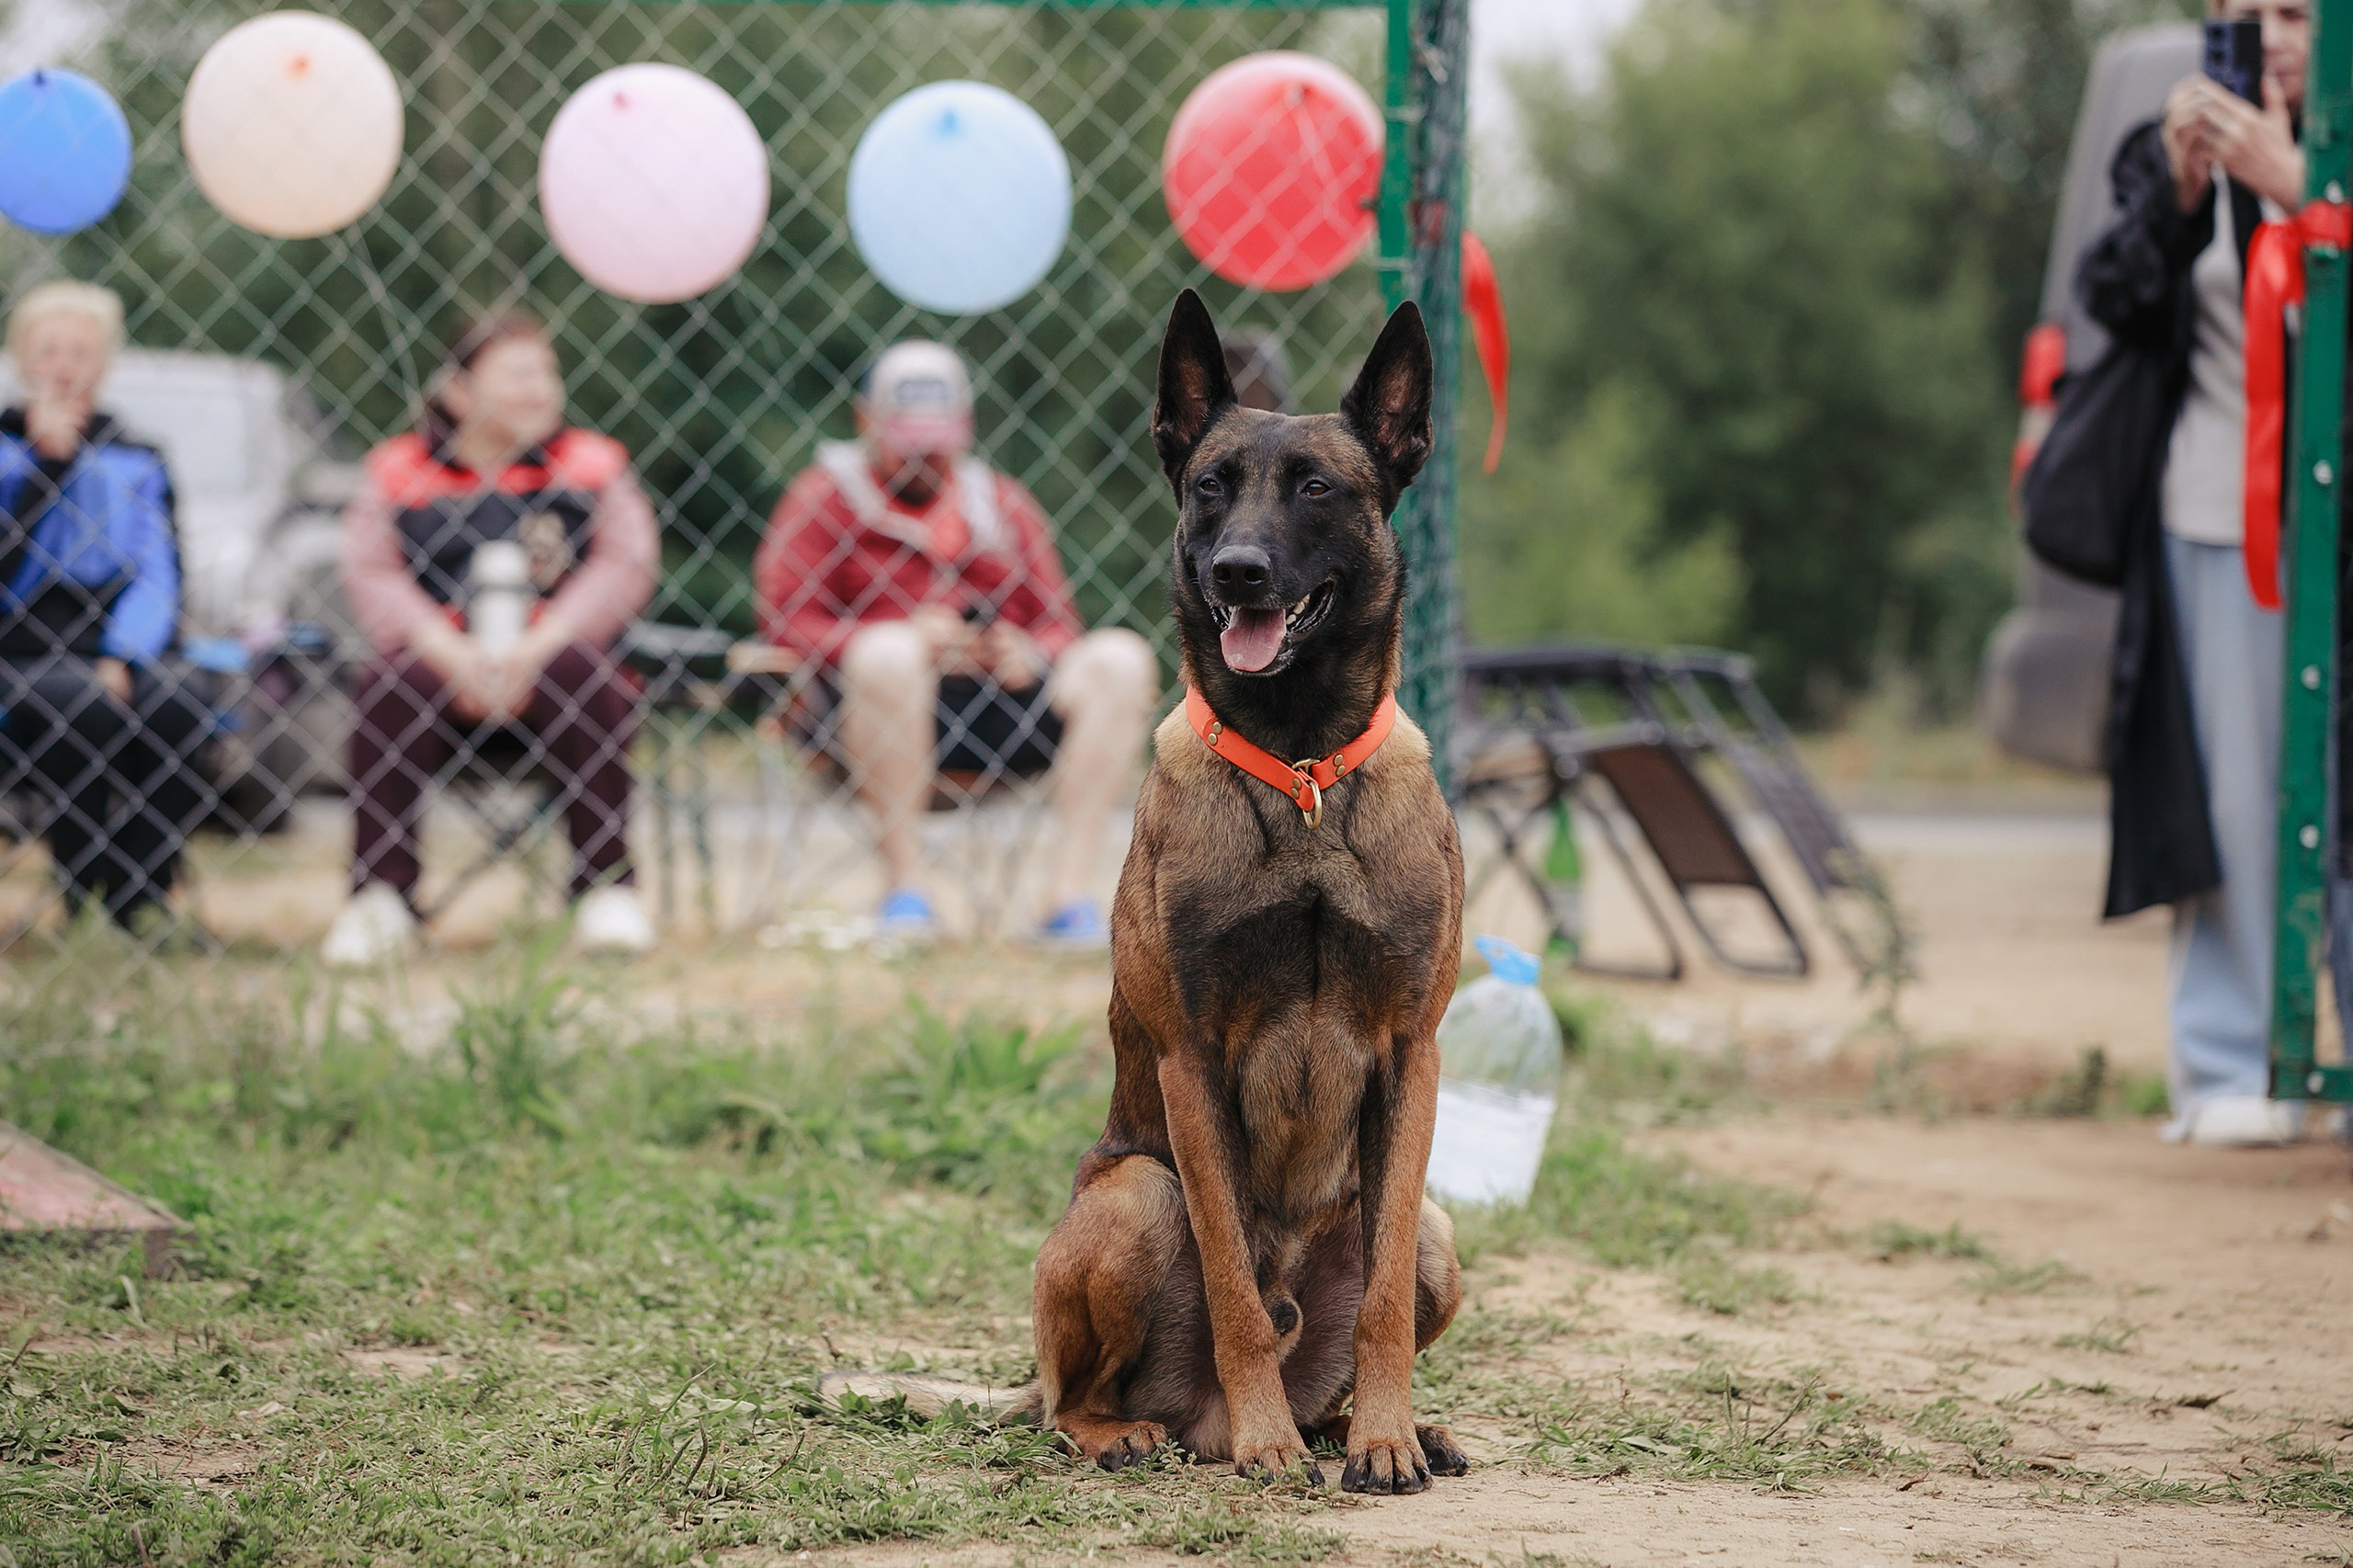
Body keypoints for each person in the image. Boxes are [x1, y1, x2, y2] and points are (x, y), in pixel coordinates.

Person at [2077, 0, 2313, 1145]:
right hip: (2213, 514)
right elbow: (2110, 299)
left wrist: (2299, 186)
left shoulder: (2326, 142)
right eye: (2243, 13)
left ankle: (2334, 1060)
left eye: (2295, 13)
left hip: (2335, 520)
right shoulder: (2168, 154)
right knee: (2224, 791)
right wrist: (2177, 198)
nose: (2268, 38)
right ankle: (2228, 1064)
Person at [753, 341, 1157, 945]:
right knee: (888, 656)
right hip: (862, 716)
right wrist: (901, 638)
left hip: (1000, 709)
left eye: (938, 442)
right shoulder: (823, 499)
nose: (926, 458)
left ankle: (1067, 900)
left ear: (964, 427)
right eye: (909, 441)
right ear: (866, 421)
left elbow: (1058, 623)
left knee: (1121, 659)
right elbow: (784, 621)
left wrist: (1030, 650)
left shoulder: (1000, 503)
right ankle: (906, 894)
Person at [322, 312, 659, 966]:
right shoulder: (398, 469)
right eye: (517, 375)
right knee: (388, 682)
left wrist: (536, 647)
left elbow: (625, 564)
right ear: (458, 392)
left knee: (586, 673)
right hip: (439, 668)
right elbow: (372, 572)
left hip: (552, 665)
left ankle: (606, 889)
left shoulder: (591, 464)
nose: (541, 390)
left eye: (547, 373)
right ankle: (380, 898)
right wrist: (452, 656)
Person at [0, 280, 213, 940]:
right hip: (23, 643)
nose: (63, 367)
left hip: (114, 637)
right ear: (19, 358)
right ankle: (82, 890)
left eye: (80, 353)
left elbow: (158, 569)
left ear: (104, 363)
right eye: (48, 351)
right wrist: (42, 468)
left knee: (182, 698)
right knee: (78, 708)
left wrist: (124, 652)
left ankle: (139, 894)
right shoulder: (6, 454)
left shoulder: (136, 455)